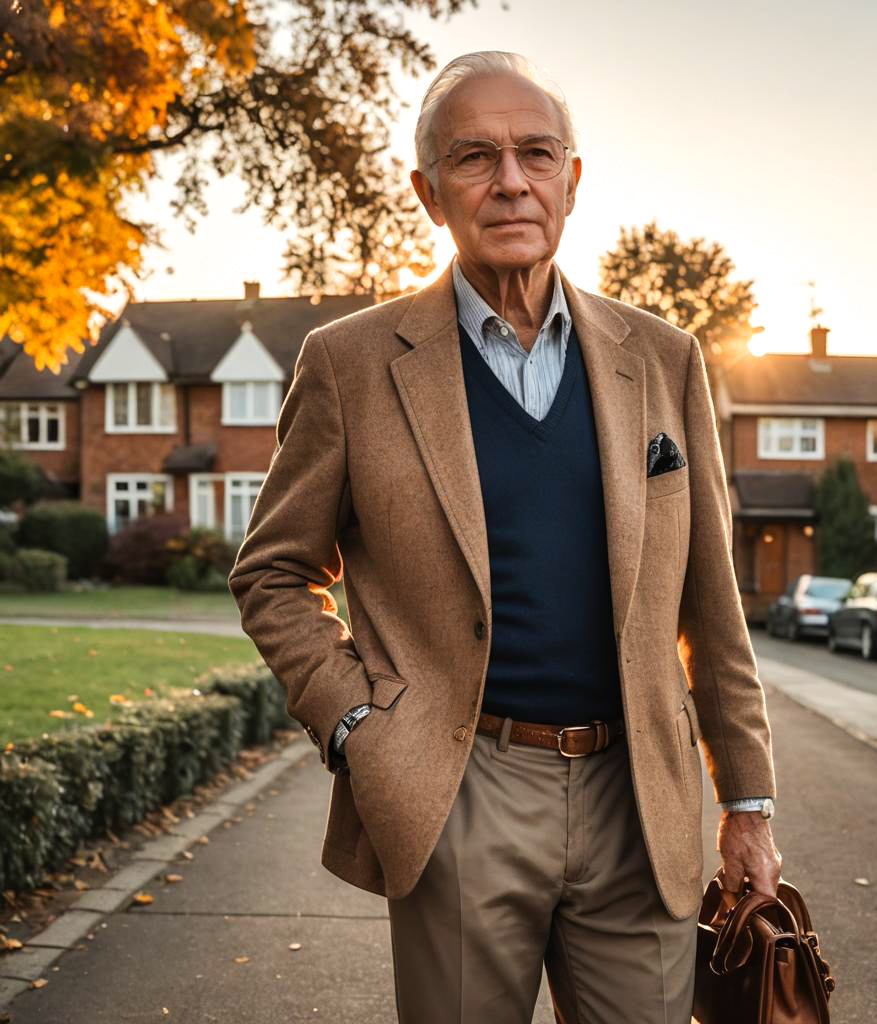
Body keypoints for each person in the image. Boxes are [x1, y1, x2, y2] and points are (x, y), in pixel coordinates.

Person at [228, 49, 781, 1024]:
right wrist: (358, 726)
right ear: (428, 191)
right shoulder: (349, 363)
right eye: (475, 156)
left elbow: (709, 599)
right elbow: (274, 570)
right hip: (457, 790)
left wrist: (747, 799)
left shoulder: (662, 358)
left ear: (573, 179)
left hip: (637, 803)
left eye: (536, 152)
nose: (511, 180)